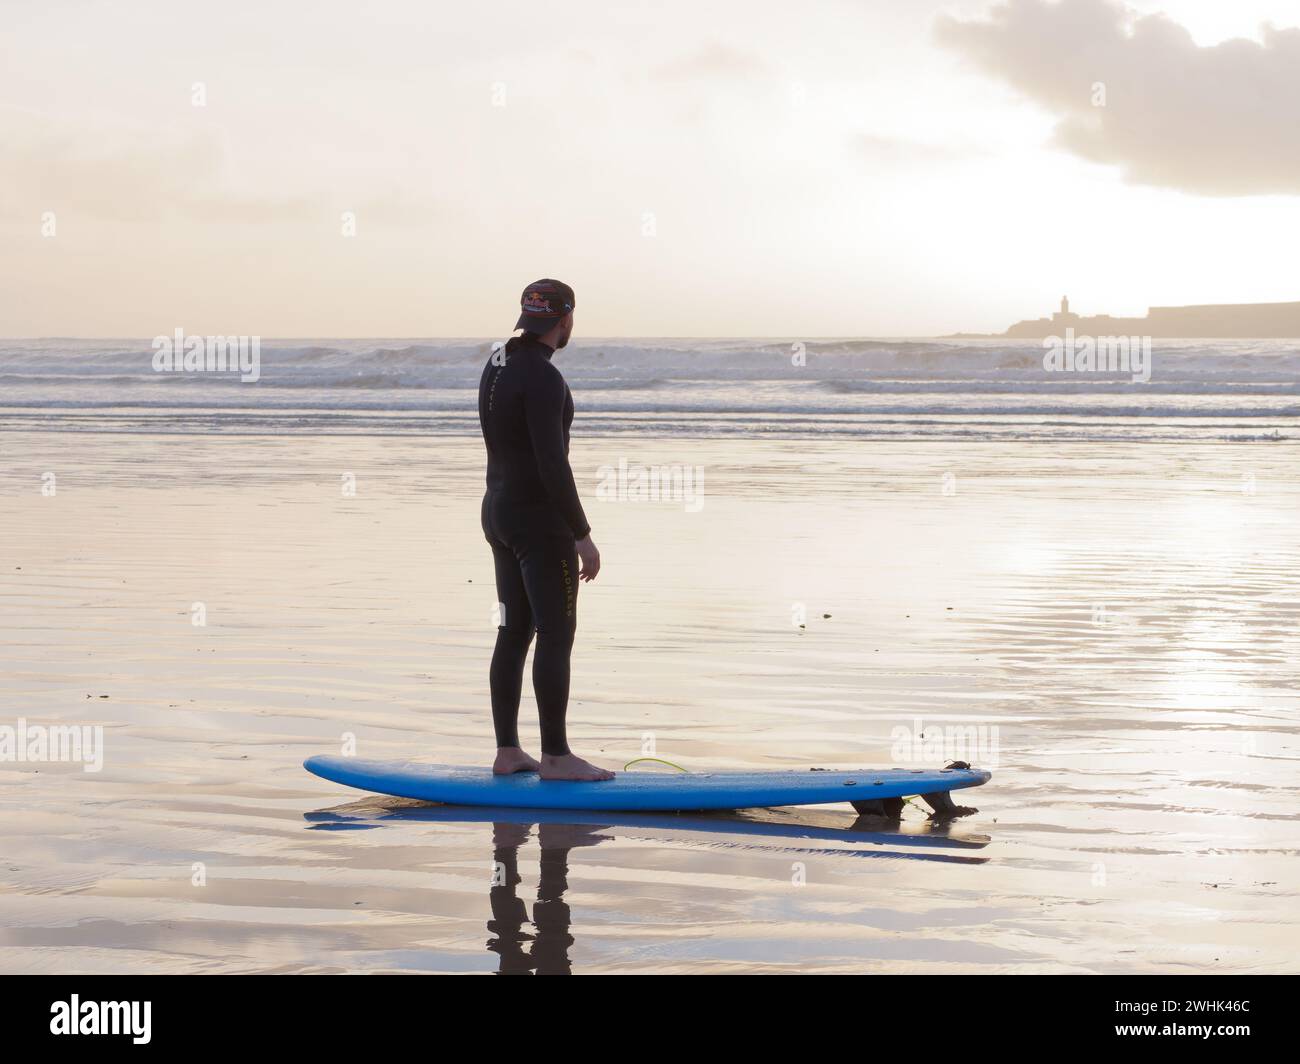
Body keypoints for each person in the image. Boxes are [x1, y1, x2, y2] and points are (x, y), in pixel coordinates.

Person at [477, 279, 613, 782]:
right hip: (538, 521)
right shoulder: (545, 378)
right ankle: (555, 756)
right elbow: (552, 463)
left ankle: (508, 751)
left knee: (514, 630)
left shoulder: (497, 364)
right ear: (566, 320)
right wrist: (581, 533)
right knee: (556, 632)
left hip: (498, 511)